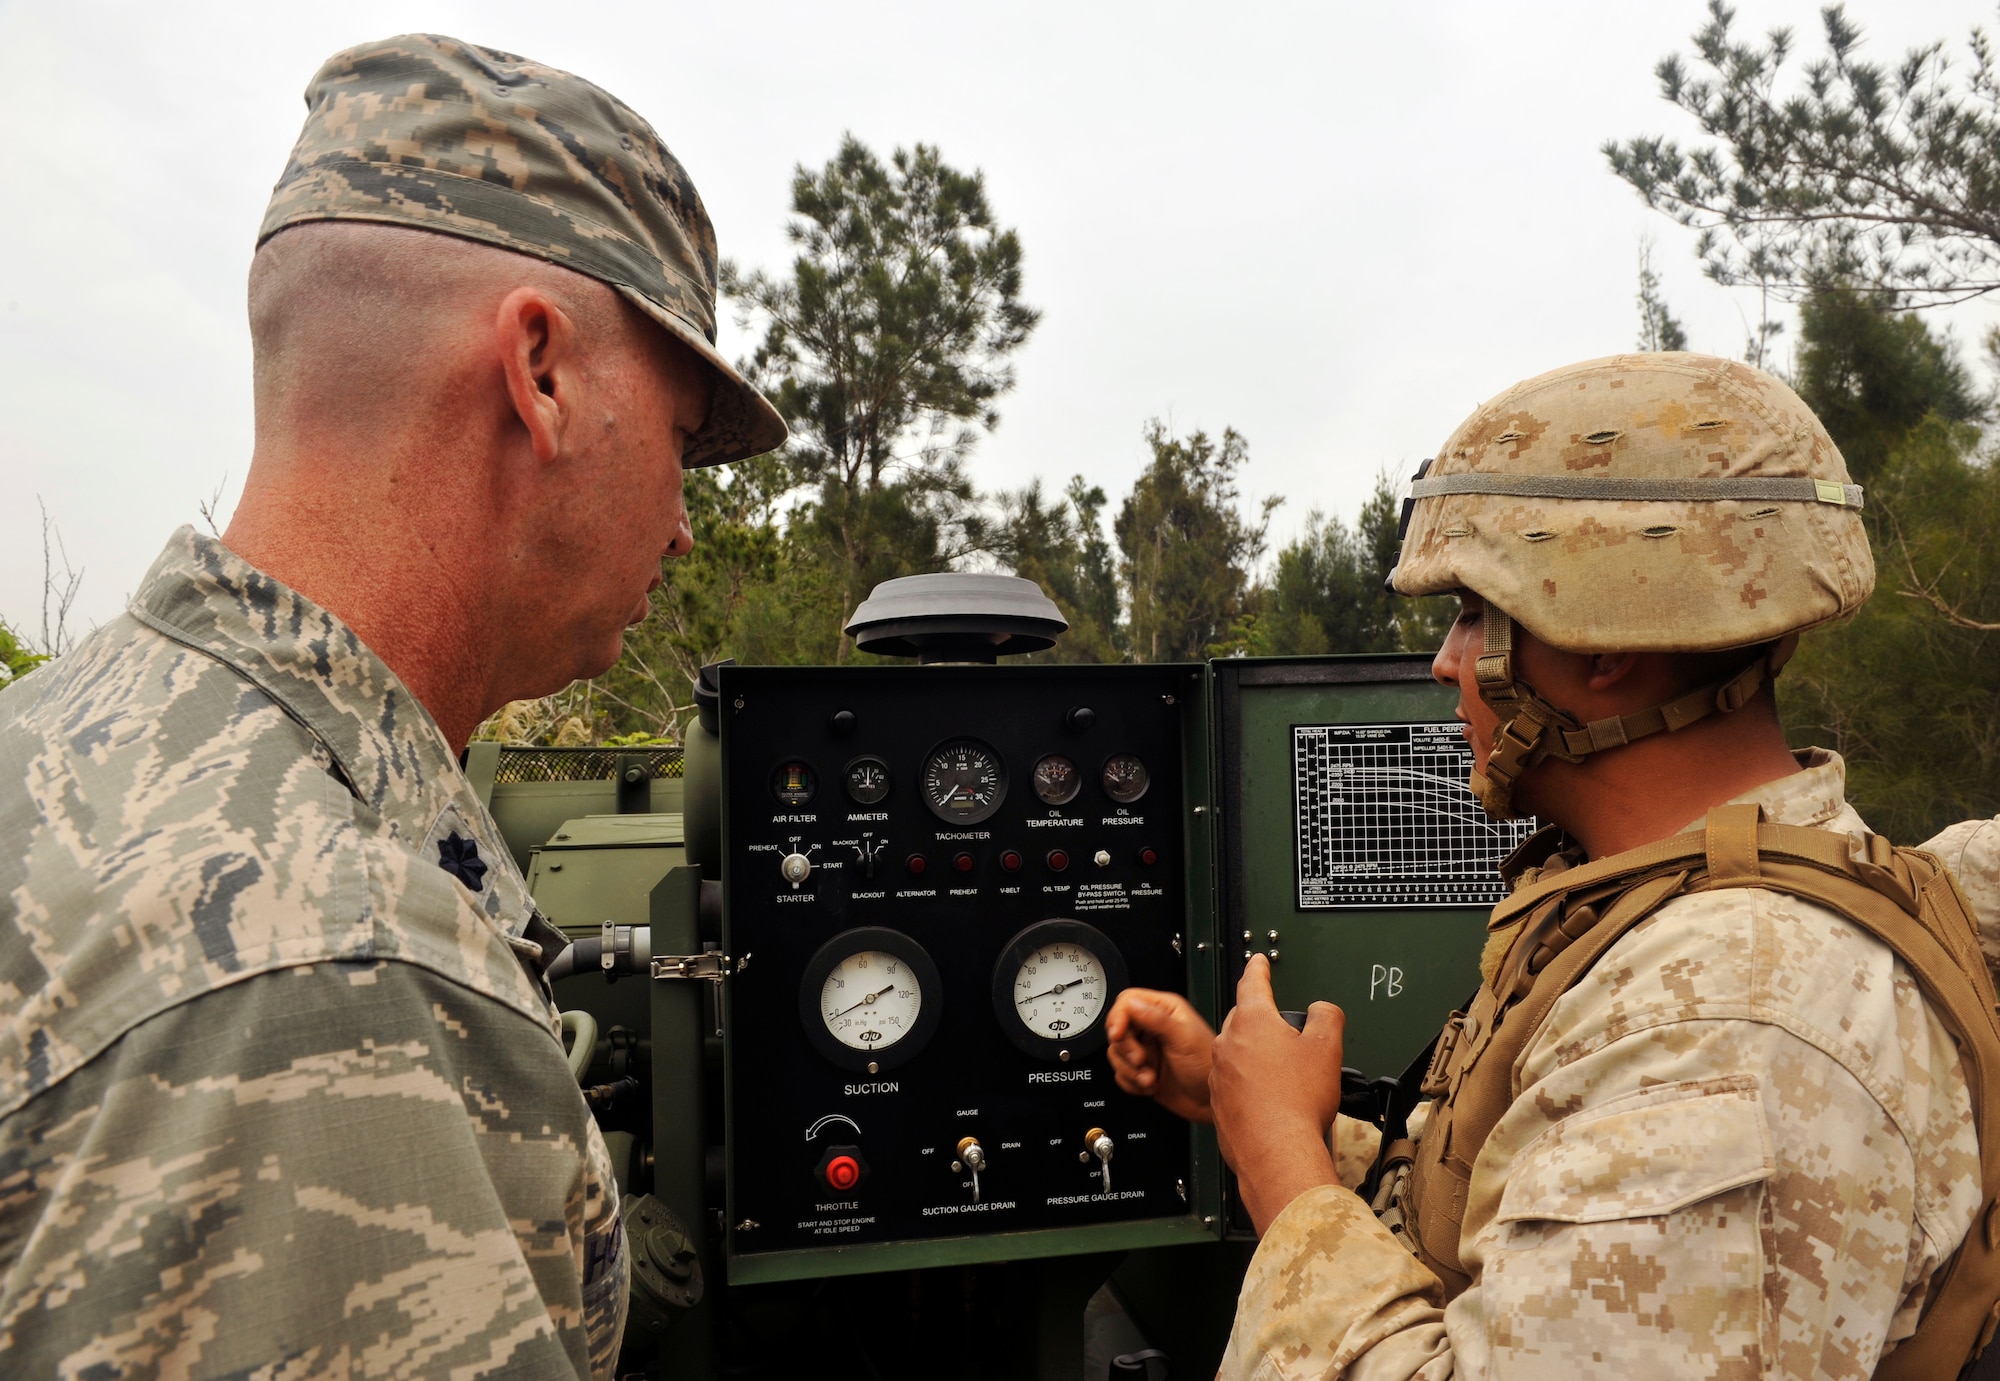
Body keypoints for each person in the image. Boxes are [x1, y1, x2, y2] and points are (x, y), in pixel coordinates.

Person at [0, 34, 784, 1380]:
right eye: (682, 435)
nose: (685, 527)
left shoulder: (51, 745)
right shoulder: (341, 974)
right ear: (541, 371)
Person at [1107, 352, 2000, 1379]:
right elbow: (1542, 1241)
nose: (1446, 662)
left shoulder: (1724, 1016)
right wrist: (1271, 1116)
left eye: (1472, 614)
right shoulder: (1687, 911)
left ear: (1601, 639)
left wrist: (1286, 1175)